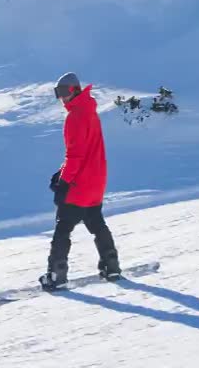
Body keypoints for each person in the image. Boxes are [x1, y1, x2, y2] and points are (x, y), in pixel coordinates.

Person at [39, 71, 121, 291]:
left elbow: (75, 156)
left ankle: (56, 275)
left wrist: (63, 183)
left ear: (75, 90)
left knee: (63, 228)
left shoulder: (74, 117)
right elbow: (84, 152)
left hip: (79, 187)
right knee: (96, 223)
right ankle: (111, 265)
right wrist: (62, 172)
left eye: (64, 92)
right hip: (96, 183)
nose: (62, 98)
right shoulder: (90, 111)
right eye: (58, 93)